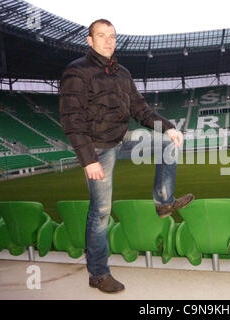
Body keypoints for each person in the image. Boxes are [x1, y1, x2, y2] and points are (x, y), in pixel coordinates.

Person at [59, 19, 194, 294]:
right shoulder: (77, 71)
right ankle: (98, 274)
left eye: (112, 36)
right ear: (89, 40)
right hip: (97, 148)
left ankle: (164, 201)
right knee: (101, 212)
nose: (108, 41)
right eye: (101, 35)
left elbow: (141, 110)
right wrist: (88, 160)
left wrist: (168, 127)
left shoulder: (122, 73)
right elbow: (72, 120)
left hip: (121, 137)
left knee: (166, 142)